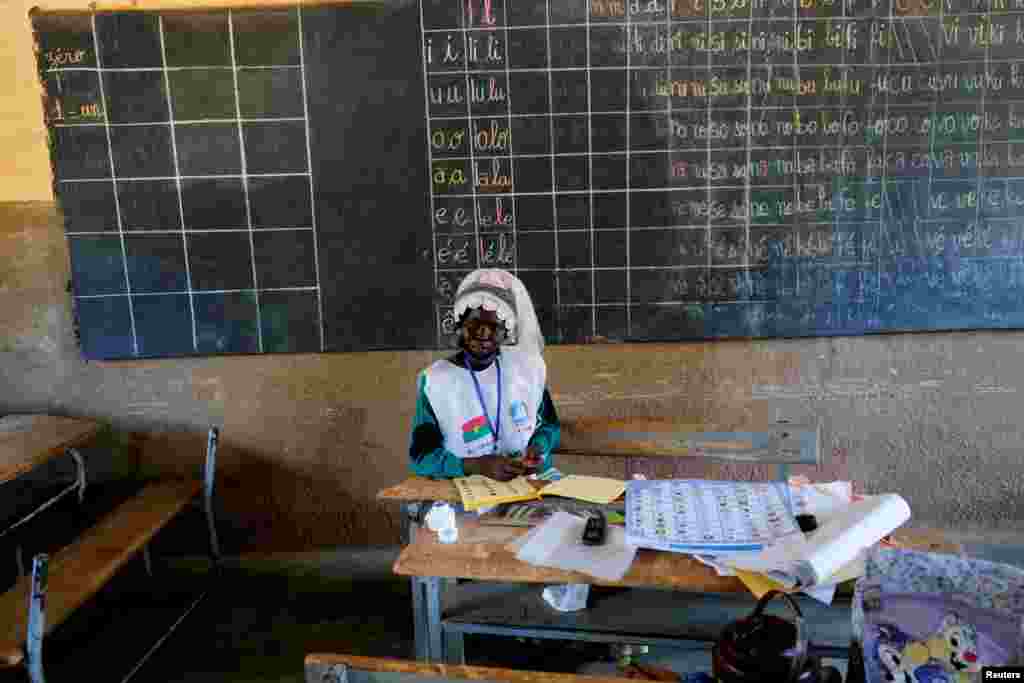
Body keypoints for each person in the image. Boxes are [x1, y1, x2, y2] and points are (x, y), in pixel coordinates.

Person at [408, 269, 560, 481]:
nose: (483, 334)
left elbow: (549, 426)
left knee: (581, 514)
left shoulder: (525, 369)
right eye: (474, 324)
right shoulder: (436, 382)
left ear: (506, 333)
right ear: (459, 326)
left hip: (525, 483)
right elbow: (421, 458)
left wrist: (537, 446)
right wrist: (474, 466)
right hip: (466, 491)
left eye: (494, 327)